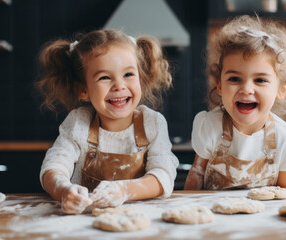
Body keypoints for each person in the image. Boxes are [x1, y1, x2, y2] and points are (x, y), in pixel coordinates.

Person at [36, 29, 179, 214]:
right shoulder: (79, 123)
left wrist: (124, 190)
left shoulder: (151, 123)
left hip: (142, 220)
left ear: (140, 79)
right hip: (86, 222)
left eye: (128, 74)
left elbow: (164, 176)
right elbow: (53, 168)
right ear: (84, 90)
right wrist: (63, 191)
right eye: (104, 77)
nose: (119, 85)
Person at [184, 15, 286, 190]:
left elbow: (283, 194)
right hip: (215, 215)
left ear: (281, 89)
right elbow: (196, 177)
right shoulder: (210, 127)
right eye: (235, 78)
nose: (246, 89)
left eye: (260, 80)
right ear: (219, 85)